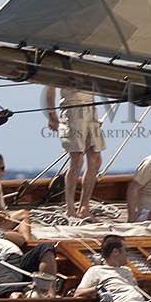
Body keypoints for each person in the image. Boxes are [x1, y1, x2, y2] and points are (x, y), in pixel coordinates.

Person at [45, 86, 104, 219]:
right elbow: (50, 86)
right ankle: (70, 208)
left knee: (96, 157)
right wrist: (52, 115)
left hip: (90, 107)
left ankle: (84, 207)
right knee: (77, 159)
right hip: (72, 108)